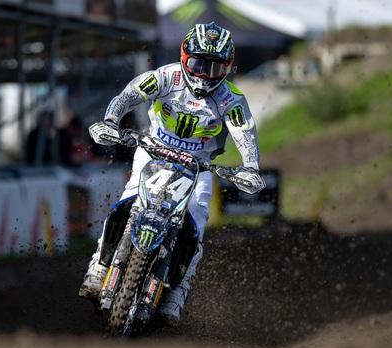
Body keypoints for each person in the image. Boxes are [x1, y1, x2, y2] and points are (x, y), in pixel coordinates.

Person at [79, 22, 265, 325]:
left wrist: (251, 166)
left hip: (199, 165)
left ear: (227, 68)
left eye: (214, 68)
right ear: (184, 56)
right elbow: (128, 95)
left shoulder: (231, 99)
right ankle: (99, 265)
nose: (204, 75)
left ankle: (178, 290)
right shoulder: (166, 77)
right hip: (153, 150)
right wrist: (111, 121)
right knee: (128, 201)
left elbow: (244, 132)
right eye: (199, 64)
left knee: (196, 219)